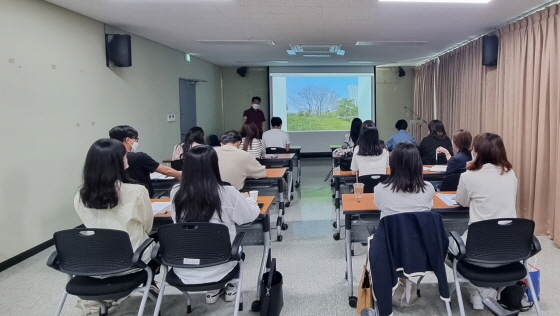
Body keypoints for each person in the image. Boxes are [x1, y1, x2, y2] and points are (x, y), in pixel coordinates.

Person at [170, 145, 260, 303]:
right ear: (214, 165)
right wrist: (250, 200)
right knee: (236, 246)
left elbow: (175, 220)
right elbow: (248, 216)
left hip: (182, 268)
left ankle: (214, 289)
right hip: (221, 264)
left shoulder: (176, 192)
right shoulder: (225, 192)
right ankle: (230, 285)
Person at [449, 133, 517, 310]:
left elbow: (461, 201)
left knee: (443, 244)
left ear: (477, 153)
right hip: (511, 248)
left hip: (478, 249)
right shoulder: (510, 173)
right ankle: (481, 291)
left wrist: (468, 171)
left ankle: (478, 287)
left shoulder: (470, 176)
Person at [74, 138, 157, 273]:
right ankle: (150, 284)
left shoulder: (80, 194)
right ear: (116, 163)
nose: (127, 159)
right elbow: (147, 226)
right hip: (133, 259)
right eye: (124, 156)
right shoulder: (137, 191)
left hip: (96, 261)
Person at [109, 125, 181, 198]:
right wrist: (181, 174)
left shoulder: (107, 157)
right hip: (142, 197)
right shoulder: (139, 156)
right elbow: (166, 170)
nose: (136, 141)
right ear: (128, 140)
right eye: (135, 138)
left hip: (117, 197)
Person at [374, 142, 435, 219]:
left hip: (392, 231)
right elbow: (429, 207)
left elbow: (379, 206)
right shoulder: (428, 188)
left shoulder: (380, 189)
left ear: (392, 164)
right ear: (418, 164)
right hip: (419, 231)